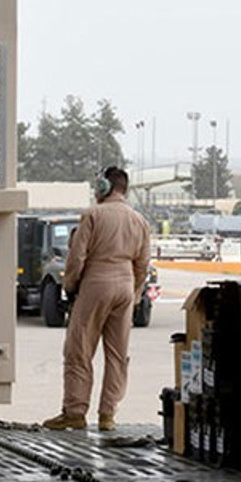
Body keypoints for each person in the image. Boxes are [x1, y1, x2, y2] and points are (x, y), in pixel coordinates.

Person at [43, 166, 150, 432]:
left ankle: (75, 412)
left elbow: (77, 257)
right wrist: (134, 295)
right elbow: (143, 264)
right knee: (117, 354)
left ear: (105, 187)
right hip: (125, 285)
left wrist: (70, 286)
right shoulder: (140, 221)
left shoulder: (93, 215)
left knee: (79, 350)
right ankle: (107, 416)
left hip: (96, 282)